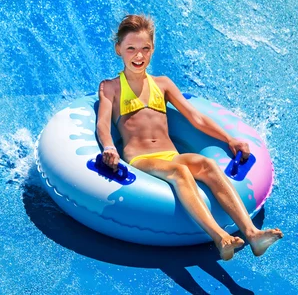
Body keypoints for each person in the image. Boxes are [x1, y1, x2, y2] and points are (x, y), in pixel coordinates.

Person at [96, 15, 283, 261]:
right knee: (180, 172)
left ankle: (253, 233)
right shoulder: (111, 87)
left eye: (145, 49)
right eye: (131, 48)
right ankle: (220, 237)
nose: (138, 56)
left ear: (152, 50)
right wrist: (109, 147)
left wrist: (230, 139)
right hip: (141, 159)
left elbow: (196, 118)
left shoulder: (162, 84)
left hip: (172, 154)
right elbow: (102, 124)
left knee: (207, 164)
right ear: (118, 49)